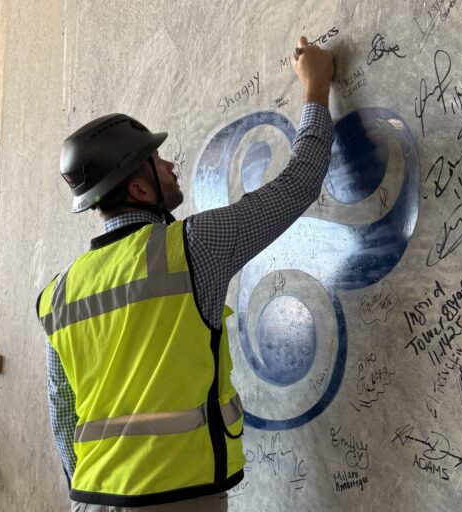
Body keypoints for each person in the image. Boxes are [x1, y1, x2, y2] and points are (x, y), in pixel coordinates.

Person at [37, 36, 335, 512]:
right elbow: (298, 184)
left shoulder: (58, 294)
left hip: (91, 499)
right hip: (176, 500)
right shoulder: (192, 247)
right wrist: (317, 87)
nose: (171, 164)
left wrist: (94, 493)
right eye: (158, 160)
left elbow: (62, 413)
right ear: (138, 186)